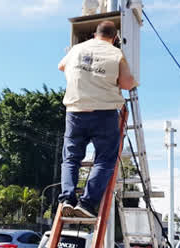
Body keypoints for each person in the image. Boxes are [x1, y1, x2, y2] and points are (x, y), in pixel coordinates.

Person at [57, 20, 135, 218]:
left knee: (71, 158)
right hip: (104, 112)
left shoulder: (76, 49)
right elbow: (127, 84)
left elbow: (61, 66)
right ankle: (87, 203)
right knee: (105, 159)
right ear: (115, 38)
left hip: (75, 111)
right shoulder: (116, 53)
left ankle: (67, 198)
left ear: (94, 34)